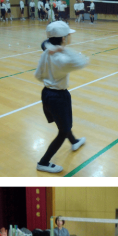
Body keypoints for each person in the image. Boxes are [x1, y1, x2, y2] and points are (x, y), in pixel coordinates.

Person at [35, 20, 88, 174]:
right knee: (63, 130)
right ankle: (43, 162)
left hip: (46, 94)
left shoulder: (46, 53)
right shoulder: (62, 59)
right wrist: (64, 50)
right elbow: (83, 62)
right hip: (59, 96)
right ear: (63, 39)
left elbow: (38, 75)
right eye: (68, 35)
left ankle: (74, 141)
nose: (70, 37)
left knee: (63, 124)